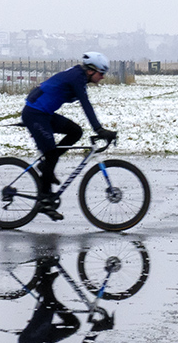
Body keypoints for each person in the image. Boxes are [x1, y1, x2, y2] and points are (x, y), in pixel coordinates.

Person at [22, 52, 117, 220]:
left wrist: (98, 129)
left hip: (44, 113)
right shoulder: (77, 78)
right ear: (91, 70)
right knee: (51, 155)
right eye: (101, 73)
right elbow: (86, 105)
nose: (102, 77)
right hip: (35, 115)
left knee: (75, 132)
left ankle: (46, 167)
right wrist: (99, 129)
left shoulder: (79, 75)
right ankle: (44, 202)